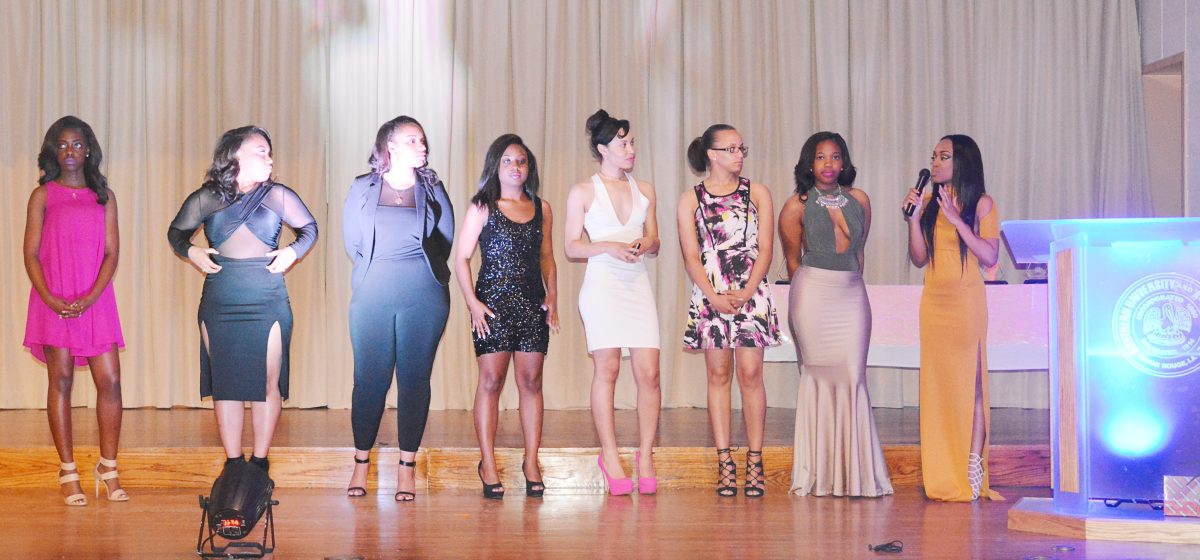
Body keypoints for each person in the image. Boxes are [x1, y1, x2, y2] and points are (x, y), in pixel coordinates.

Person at [168, 125, 317, 478]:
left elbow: (309, 229)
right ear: (235, 155)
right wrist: (191, 251)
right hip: (222, 298)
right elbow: (176, 233)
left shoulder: (278, 195)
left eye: (269, 151)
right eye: (260, 150)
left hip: (267, 297)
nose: (269, 157)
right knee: (227, 382)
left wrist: (293, 252)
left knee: (268, 381)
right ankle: (234, 464)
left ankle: (260, 464)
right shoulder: (206, 197)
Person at [343, 116, 454, 502]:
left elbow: (446, 240)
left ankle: (407, 468)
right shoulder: (362, 187)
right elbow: (352, 241)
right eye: (412, 140)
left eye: (423, 140)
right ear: (390, 147)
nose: (422, 146)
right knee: (369, 381)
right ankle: (361, 463)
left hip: (423, 296)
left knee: (413, 381)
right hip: (373, 294)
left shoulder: (433, 188)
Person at [778, 131, 892, 497]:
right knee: (816, 379)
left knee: (854, 376)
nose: (829, 164)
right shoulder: (797, 204)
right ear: (809, 163)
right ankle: (818, 473)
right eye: (821, 157)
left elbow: (859, 251)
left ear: (845, 162)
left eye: (835, 156)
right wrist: (803, 303)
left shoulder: (860, 199)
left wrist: (851, 283)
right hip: (812, 295)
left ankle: (856, 474)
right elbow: (793, 261)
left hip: (851, 293)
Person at [23, 116, 127, 506]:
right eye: (63, 145)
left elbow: (113, 253)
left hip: (95, 299)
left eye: (78, 144)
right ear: (53, 150)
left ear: (89, 150)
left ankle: (108, 467)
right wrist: (50, 298)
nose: (70, 152)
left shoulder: (104, 196)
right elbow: (30, 252)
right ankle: (68, 472)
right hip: (54, 300)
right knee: (61, 381)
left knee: (111, 382)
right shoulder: (43, 196)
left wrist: (92, 295)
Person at [453, 134, 559, 499]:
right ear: (496, 166)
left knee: (531, 382)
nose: (516, 167)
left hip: (531, 305)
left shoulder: (542, 208)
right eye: (508, 161)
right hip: (493, 307)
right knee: (490, 382)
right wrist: (472, 302)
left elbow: (547, 257)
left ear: (529, 168)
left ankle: (532, 461)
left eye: (522, 161)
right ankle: (488, 462)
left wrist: (553, 296)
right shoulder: (483, 206)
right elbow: (461, 259)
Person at [678, 124, 780, 498]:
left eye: (742, 148)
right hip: (711, 295)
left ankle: (755, 458)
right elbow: (691, 256)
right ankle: (725, 461)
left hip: (751, 292)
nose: (739, 154)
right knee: (718, 374)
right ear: (712, 154)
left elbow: (766, 250)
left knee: (751, 373)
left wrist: (747, 291)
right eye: (732, 148)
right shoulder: (690, 199)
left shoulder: (759, 194)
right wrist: (714, 296)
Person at [563, 109, 661, 496]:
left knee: (649, 373)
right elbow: (572, 246)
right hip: (602, 285)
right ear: (603, 149)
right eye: (622, 144)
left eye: (632, 142)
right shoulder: (583, 191)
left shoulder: (646, 190)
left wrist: (644, 243)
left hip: (636, 284)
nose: (630, 149)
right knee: (607, 371)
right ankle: (610, 454)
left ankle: (647, 454)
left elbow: (655, 241)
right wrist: (609, 247)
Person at [902, 134, 1002, 502]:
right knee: (938, 387)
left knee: (971, 386)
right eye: (934, 156)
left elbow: (989, 257)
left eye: (943, 156)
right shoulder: (928, 202)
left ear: (962, 162)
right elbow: (918, 258)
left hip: (966, 302)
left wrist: (959, 221)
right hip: (934, 303)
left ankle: (972, 465)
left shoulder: (982, 203)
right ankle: (943, 473)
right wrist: (913, 221)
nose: (936, 162)